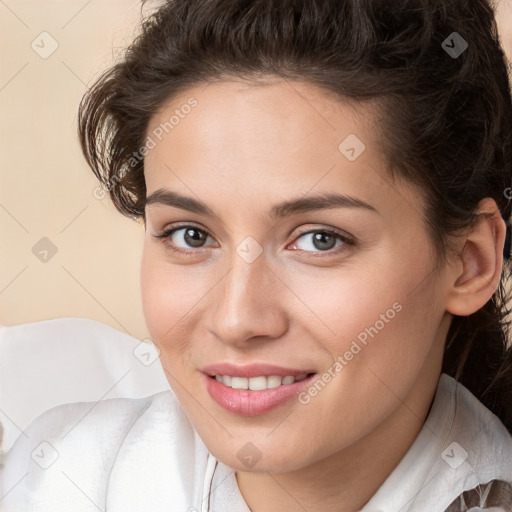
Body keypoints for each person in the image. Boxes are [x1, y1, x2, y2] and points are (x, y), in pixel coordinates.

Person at [2, 0, 512, 510]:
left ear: (470, 263)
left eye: (320, 239)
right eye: (191, 235)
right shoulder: (52, 479)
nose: (237, 319)